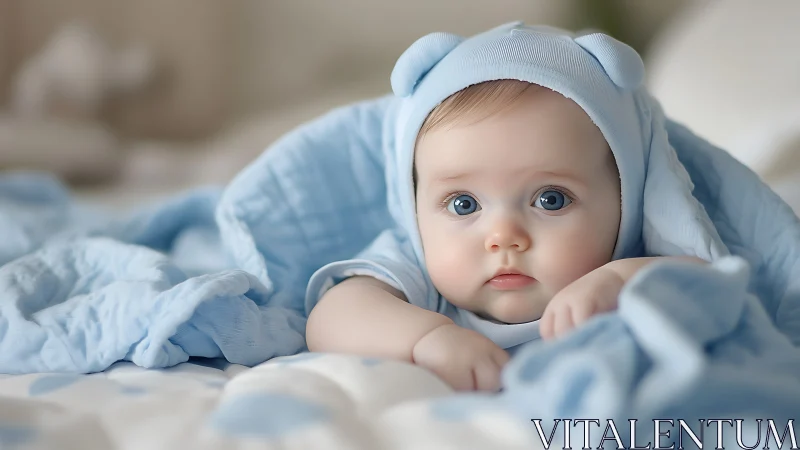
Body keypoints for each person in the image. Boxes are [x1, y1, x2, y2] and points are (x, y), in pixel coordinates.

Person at [304, 22, 705, 392]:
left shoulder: (628, 272)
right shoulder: (419, 277)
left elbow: (714, 284)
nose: (504, 237)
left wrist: (620, 280)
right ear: (415, 209)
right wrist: (426, 339)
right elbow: (332, 316)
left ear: (626, 202)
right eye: (463, 204)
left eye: (551, 199)